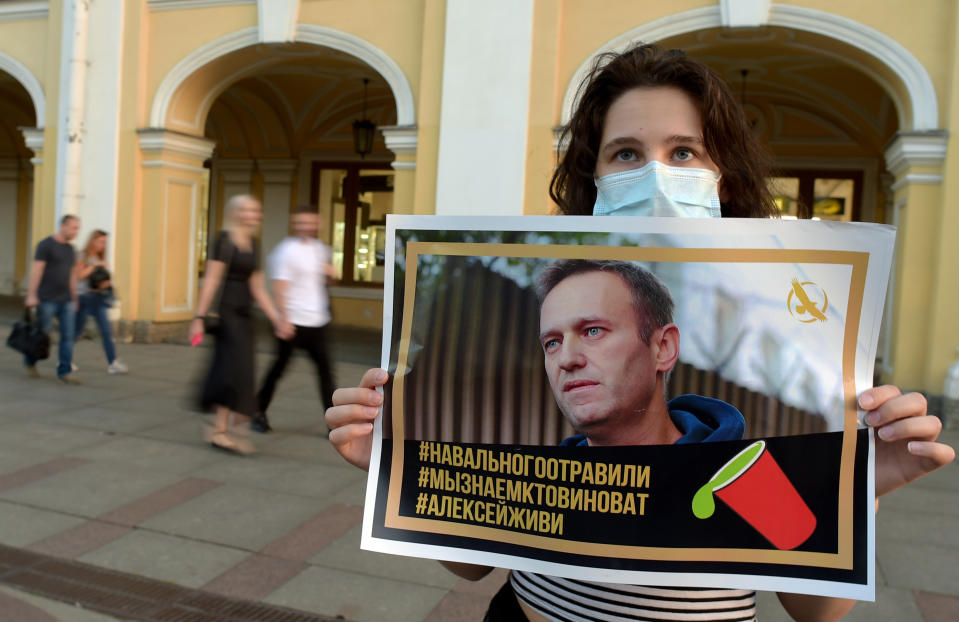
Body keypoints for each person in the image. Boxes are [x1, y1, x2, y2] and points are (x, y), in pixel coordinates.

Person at [325, 43, 955, 621]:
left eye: (683, 151)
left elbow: (813, 611)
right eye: (625, 152)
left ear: (664, 347)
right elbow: (471, 565)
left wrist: (862, 491)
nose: (654, 173)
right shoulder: (537, 465)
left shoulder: (748, 462)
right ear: (594, 176)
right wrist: (390, 466)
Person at [190, 195, 293, 455]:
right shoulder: (223, 240)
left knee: (243, 372)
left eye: (255, 210)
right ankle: (223, 432)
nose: (252, 214)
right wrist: (198, 317)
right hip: (227, 315)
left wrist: (276, 318)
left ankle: (228, 430)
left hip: (246, 315)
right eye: (246, 210)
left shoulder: (254, 244)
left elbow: (257, 287)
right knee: (232, 372)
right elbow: (212, 280)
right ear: (235, 212)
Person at [253, 206, 337, 433]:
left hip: (318, 321)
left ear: (317, 223)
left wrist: (331, 273)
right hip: (293, 322)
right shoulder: (286, 250)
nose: (305, 227)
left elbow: (328, 282)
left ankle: (333, 423)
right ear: (294, 224)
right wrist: (283, 320)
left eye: (309, 222)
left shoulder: (321, 249)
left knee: (326, 372)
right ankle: (257, 412)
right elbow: (279, 287)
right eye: (300, 223)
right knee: (278, 369)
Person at [24, 214, 82, 383]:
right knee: (42, 335)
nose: (76, 232)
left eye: (77, 228)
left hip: (67, 301)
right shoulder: (45, 245)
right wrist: (31, 295)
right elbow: (37, 270)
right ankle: (30, 361)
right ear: (63, 226)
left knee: (68, 337)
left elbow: (72, 275)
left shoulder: (71, 250)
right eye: (73, 228)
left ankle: (64, 372)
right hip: (46, 299)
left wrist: (75, 298)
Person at [74, 230, 128, 374]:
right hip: (84, 298)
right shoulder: (82, 255)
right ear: (92, 240)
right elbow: (79, 276)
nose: (103, 245)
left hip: (98, 298)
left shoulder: (100, 257)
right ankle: (65, 360)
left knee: (106, 331)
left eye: (105, 243)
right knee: (76, 332)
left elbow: (100, 281)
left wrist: (105, 281)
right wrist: (94, 266)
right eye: (100, 242)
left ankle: (113, 363)